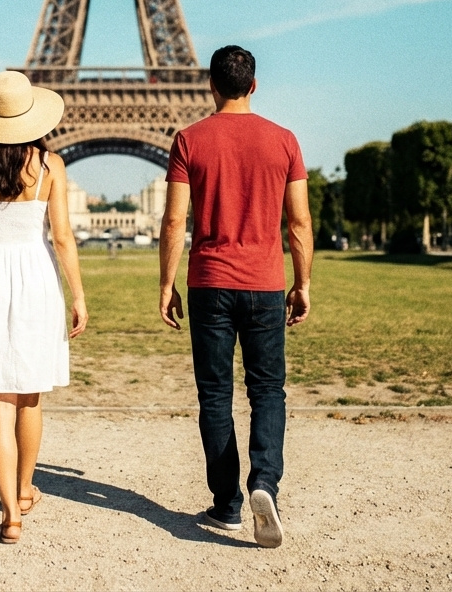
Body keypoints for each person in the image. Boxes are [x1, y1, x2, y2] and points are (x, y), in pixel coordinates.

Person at [158, 45, 313, 549]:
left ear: (211, 85)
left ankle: (226, 504)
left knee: (215, 394)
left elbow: (174, 220)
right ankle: (264, 483)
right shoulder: (284, 140)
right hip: (265, 283)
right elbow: (299, 222)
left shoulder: (189, 139)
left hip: (209, 283)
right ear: (254, 84)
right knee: (267, 390)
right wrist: (303, 283)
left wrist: (166, 283)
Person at [0, 70, 88, 545]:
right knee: (31, 395)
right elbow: (62, 237)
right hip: (35, 276)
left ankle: (10, 515)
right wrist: (78, 294)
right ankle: (26, 489)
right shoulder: (51, 165)